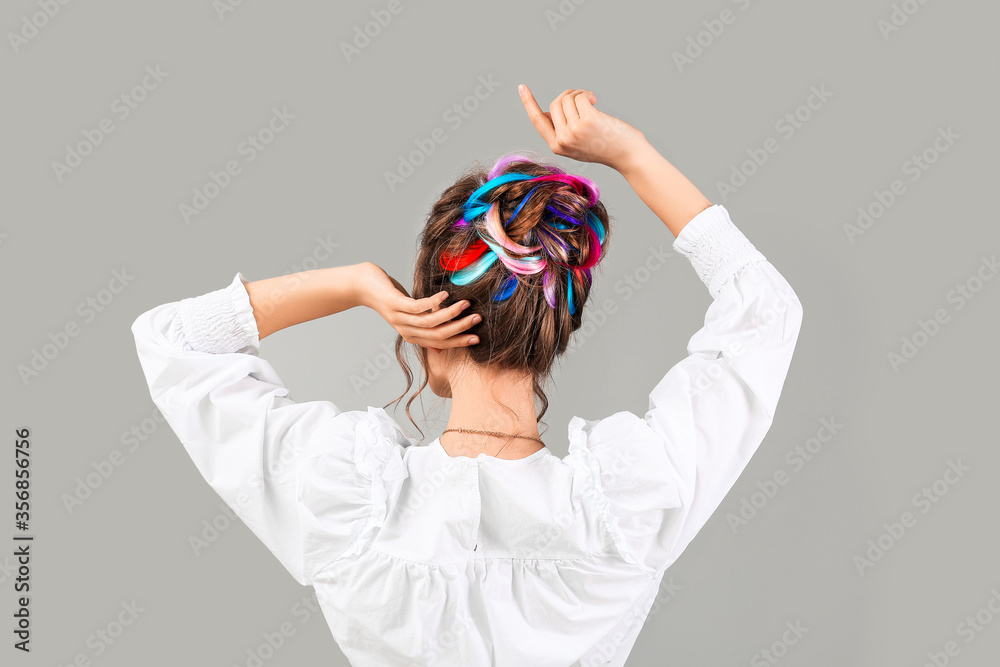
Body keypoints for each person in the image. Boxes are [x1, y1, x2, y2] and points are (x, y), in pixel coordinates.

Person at [130, 85, 803, 666]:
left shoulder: (350, 508)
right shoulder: (625, 514)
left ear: (427, 330)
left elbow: (174, 342)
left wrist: (354, 285)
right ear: (553, 334)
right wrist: (632, 154)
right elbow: (767, 313)